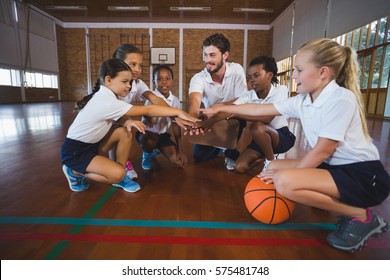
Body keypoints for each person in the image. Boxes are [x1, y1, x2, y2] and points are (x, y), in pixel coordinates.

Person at [201, 38, 390, 253]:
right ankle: (341, 205)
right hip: (336, 168)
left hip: (363, 176)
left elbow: (323, 150)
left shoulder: (341, 98)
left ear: (323, 72)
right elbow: (259, 110)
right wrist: (221, 110)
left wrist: (292, 176)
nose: (294, 76)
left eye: (299, 70)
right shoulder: (303, 100)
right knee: (273, 168)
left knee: (284, 183)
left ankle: (361, 217)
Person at [61, 58, 197, 193]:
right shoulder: (106, 101)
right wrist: (178, 112)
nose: (129, 86)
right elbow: (149, 110)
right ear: (108, 80)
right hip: (76, 152)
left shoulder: (108, 96)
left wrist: (128, 121)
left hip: (91, 145)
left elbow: (115, 118)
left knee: (124, 132)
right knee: (117, 175)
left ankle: (120, 173)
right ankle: (74, 172)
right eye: (125, 82)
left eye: (130, 82)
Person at [111, 44, 190, 179]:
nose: (137, 69)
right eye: (133, 64)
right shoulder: (110, 87)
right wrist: (175, 114)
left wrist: (175, 115)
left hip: (157, 134)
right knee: (121, 130)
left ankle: (120, 165)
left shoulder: (137, 84)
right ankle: (118, 166)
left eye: (140, 65)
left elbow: (155, 99)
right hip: (98, 130)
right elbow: (146, 110)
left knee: (124, 130)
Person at [188, 33, 248, 170]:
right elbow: (194, 102)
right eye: (205, 54)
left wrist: (219, 107)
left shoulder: (237, 70)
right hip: (212, 121)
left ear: (225, 55)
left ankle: (230, 151)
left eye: (212, 55)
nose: (207, 59)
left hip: (233, 118)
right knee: (199, 156)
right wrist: (192, 119)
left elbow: (243, 100)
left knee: (241, 115)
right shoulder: (198, 78)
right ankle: (221, 146)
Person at [232, 56, 296, 174]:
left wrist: (236, 113)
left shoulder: (281, 90)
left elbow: (267, 118)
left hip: (281, 136)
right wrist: (209, 117)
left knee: (256, 126)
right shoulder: (249, 95)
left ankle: (271, 161)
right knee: (239, 167)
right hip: (260, 138)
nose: (252, 80)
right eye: (250, 77)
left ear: (269, 75)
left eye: (256, 75)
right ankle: (265, 159)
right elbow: (231, 109)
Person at [136, 64, 187, 170]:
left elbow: (176, 126)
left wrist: (180, 150)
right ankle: (148, 152)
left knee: (177, 162)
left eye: (167, 78)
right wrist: (149, 118)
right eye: (159, 79)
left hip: (162, 136)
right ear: (154, 82)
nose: (164, 82)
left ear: (172, 80)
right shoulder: (151, 97)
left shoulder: (175, 101)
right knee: (150, 142)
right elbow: (146, 114)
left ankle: (156, 149)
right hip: (147, 134)